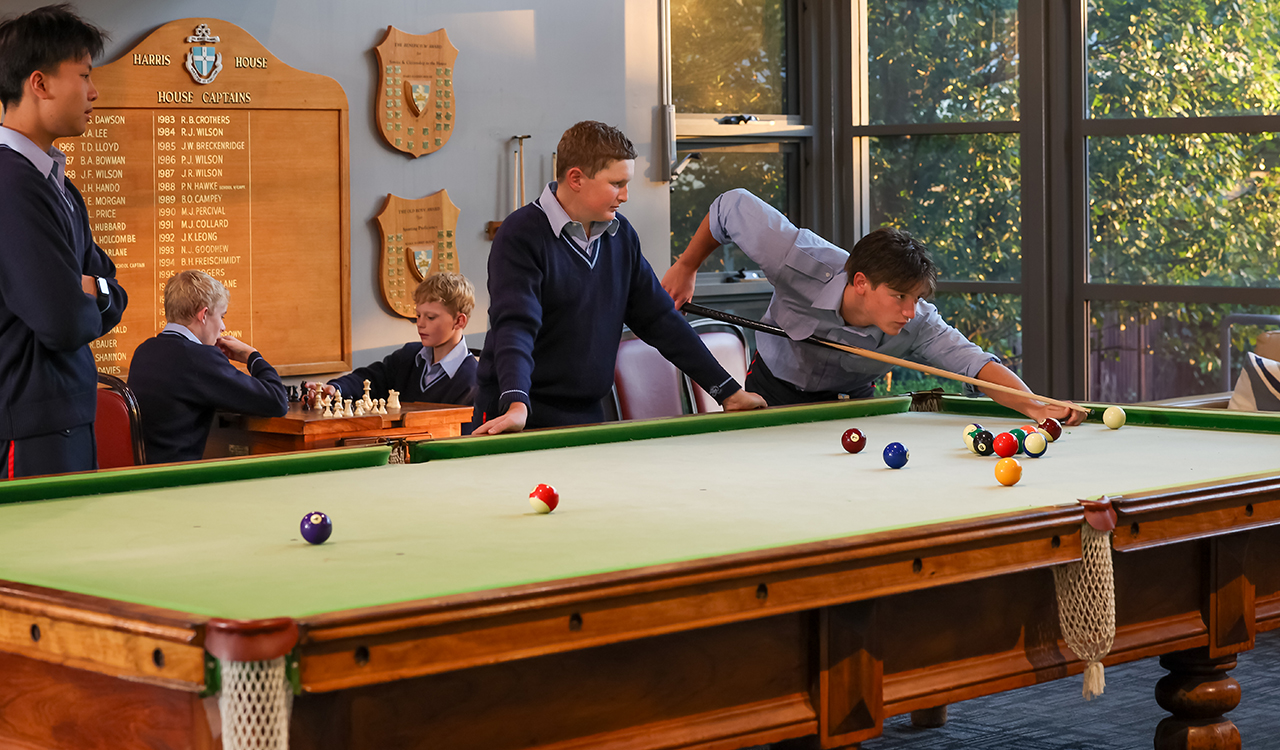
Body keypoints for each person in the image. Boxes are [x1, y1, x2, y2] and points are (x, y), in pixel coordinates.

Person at [662, 188, 1085, 426]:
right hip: (772, 390)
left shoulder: (919, 323)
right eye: (899, 296)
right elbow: (730, 206)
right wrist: (687, 265)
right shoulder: (796, 257)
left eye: (916, 298)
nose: (908, 310)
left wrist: (1033, 405)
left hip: (855, 402)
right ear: (861, 283)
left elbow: (975, 364)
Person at [472, 121, 766, 434]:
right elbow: (515, 325)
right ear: (576, 179)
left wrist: (728, 391)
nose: (625, 195)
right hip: (517, 415)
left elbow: (660, 320)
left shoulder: (621, 235)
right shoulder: (521, 234)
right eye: (616, 183)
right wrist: (517, 404)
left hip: (587, 414)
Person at [0, 5, 128, 478]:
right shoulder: (12, 184)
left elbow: (113, 286)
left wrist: (93, 288)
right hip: (27, 428)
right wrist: (93, 293)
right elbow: (61, 322)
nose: (94, 92)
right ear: (40, 83)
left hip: (65, 419)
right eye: (84, 74)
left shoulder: (54, 181)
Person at [129, 270, 287, 463]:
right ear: (203, 315)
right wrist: (251, 355)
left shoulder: (144, 351)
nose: (223, 327)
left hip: (142, 473)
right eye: (222, 316)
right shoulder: (198, 358)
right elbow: (277, 401)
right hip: (179, 480)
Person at [317, 272, 478, 426]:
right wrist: (334, 389)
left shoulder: (472, 380)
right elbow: (368, 379)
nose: (420, 324)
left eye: (430, 317)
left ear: (459, 321)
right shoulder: (408, 357)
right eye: (418, 315)